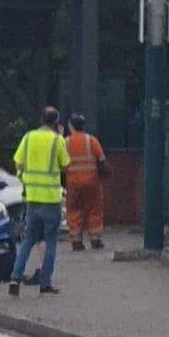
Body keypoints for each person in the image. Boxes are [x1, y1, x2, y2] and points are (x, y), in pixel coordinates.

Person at [8, 106, 70, 296]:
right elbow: (66, 164)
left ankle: (15, 278)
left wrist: (24, 178)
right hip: (50, 199)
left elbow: (18, 163)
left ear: (41, 119)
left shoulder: (28, 137)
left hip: (32, 197)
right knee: (50, 242)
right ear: (56, 122)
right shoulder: (57, 140)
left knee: (28, 240)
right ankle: (45, 284)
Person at [64, 113, 107, 251]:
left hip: (73, 182)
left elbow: (60, 162)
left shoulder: (66, 142)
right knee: (94, 209)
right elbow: (101, 160)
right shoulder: (91, 140)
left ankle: (76, 242)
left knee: (74, 210)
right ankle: (95, 240)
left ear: (70, 126)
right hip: (91, 181)